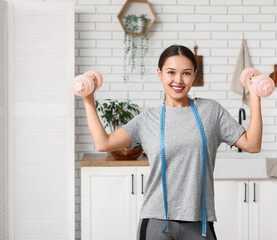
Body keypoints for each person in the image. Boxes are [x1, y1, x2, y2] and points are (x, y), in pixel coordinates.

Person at [83, 45, 263, 240]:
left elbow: (252, 145)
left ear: (194, 74)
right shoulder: (147, 120)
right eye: (171, 72)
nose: (178, 80)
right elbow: (104, 143)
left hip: (199, 223)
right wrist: (88, 98)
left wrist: (255, 97)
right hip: (156, 221)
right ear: (160, 73)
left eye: (186, 73)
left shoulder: (211, 111)